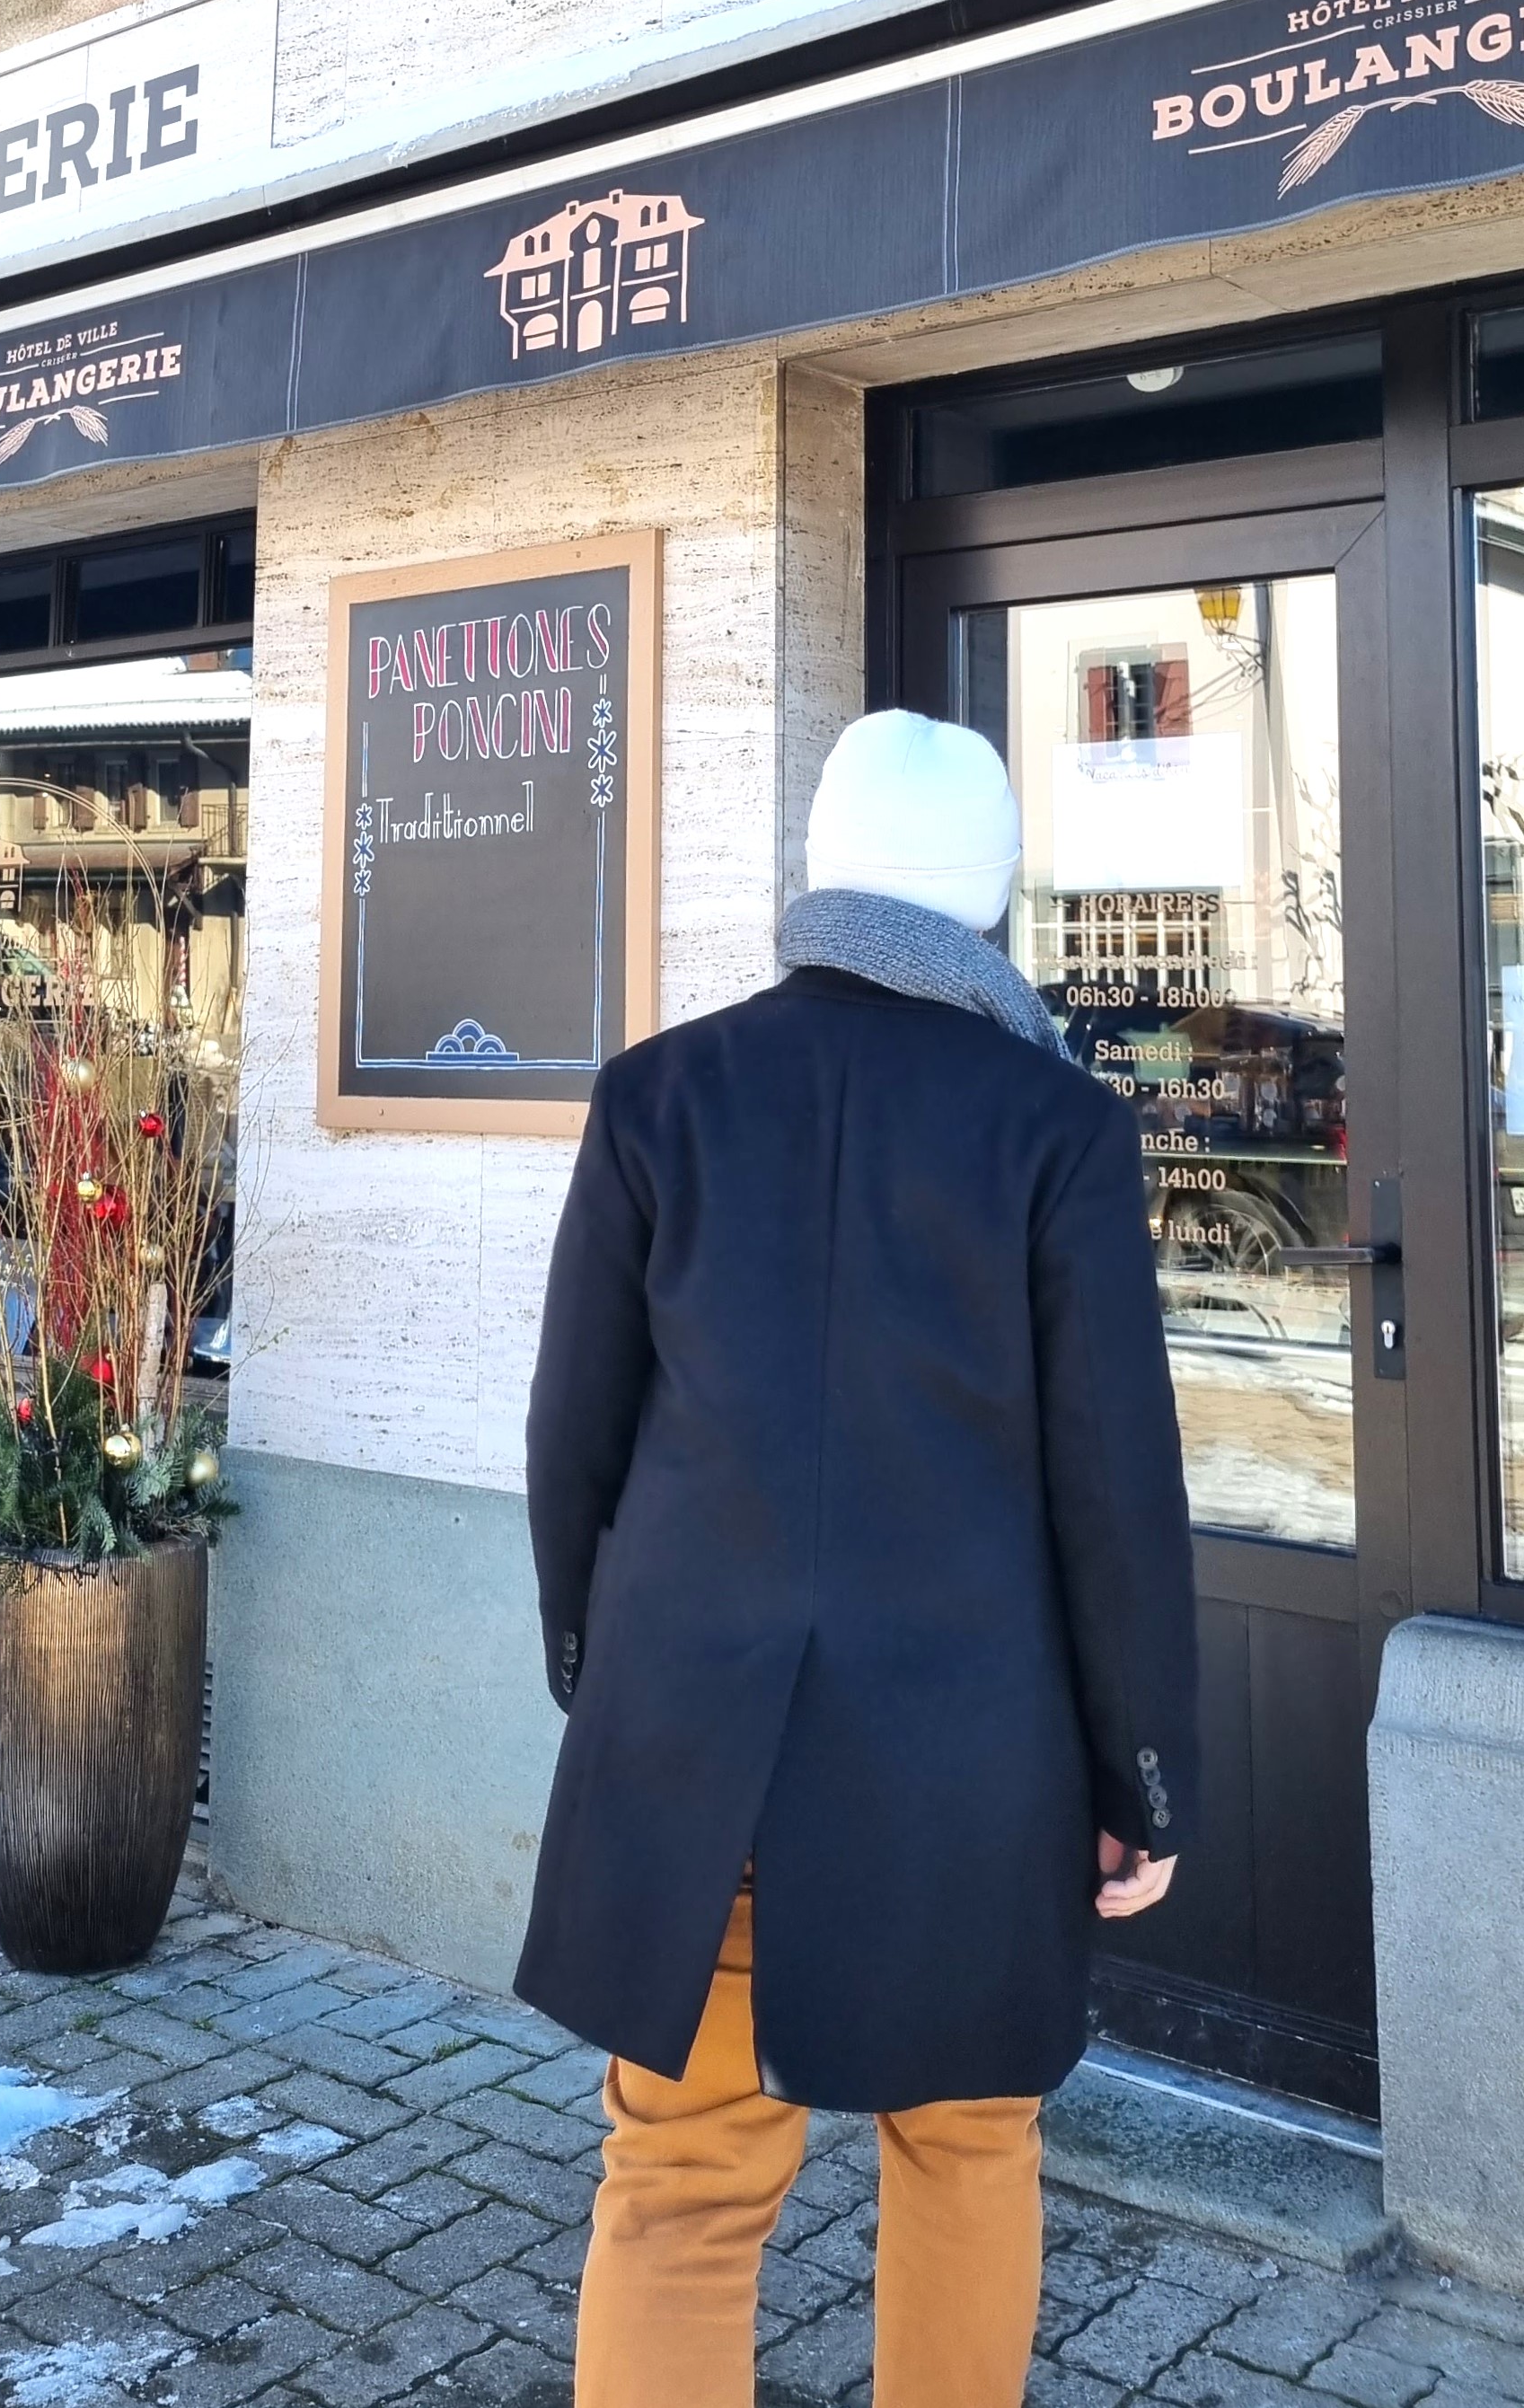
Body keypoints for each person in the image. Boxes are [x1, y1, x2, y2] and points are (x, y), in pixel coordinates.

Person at [515, 708, 1198, 2408]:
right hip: (967, 1770)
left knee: (677, 2182)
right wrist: (1145, 1777)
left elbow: (568, 1440)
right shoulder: (1057, 1128)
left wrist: (603, 1685)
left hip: (706, 1754)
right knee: (967, 2155)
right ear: (988, 900)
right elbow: (1115, 1494)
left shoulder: (660, 1091)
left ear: (822, 874)